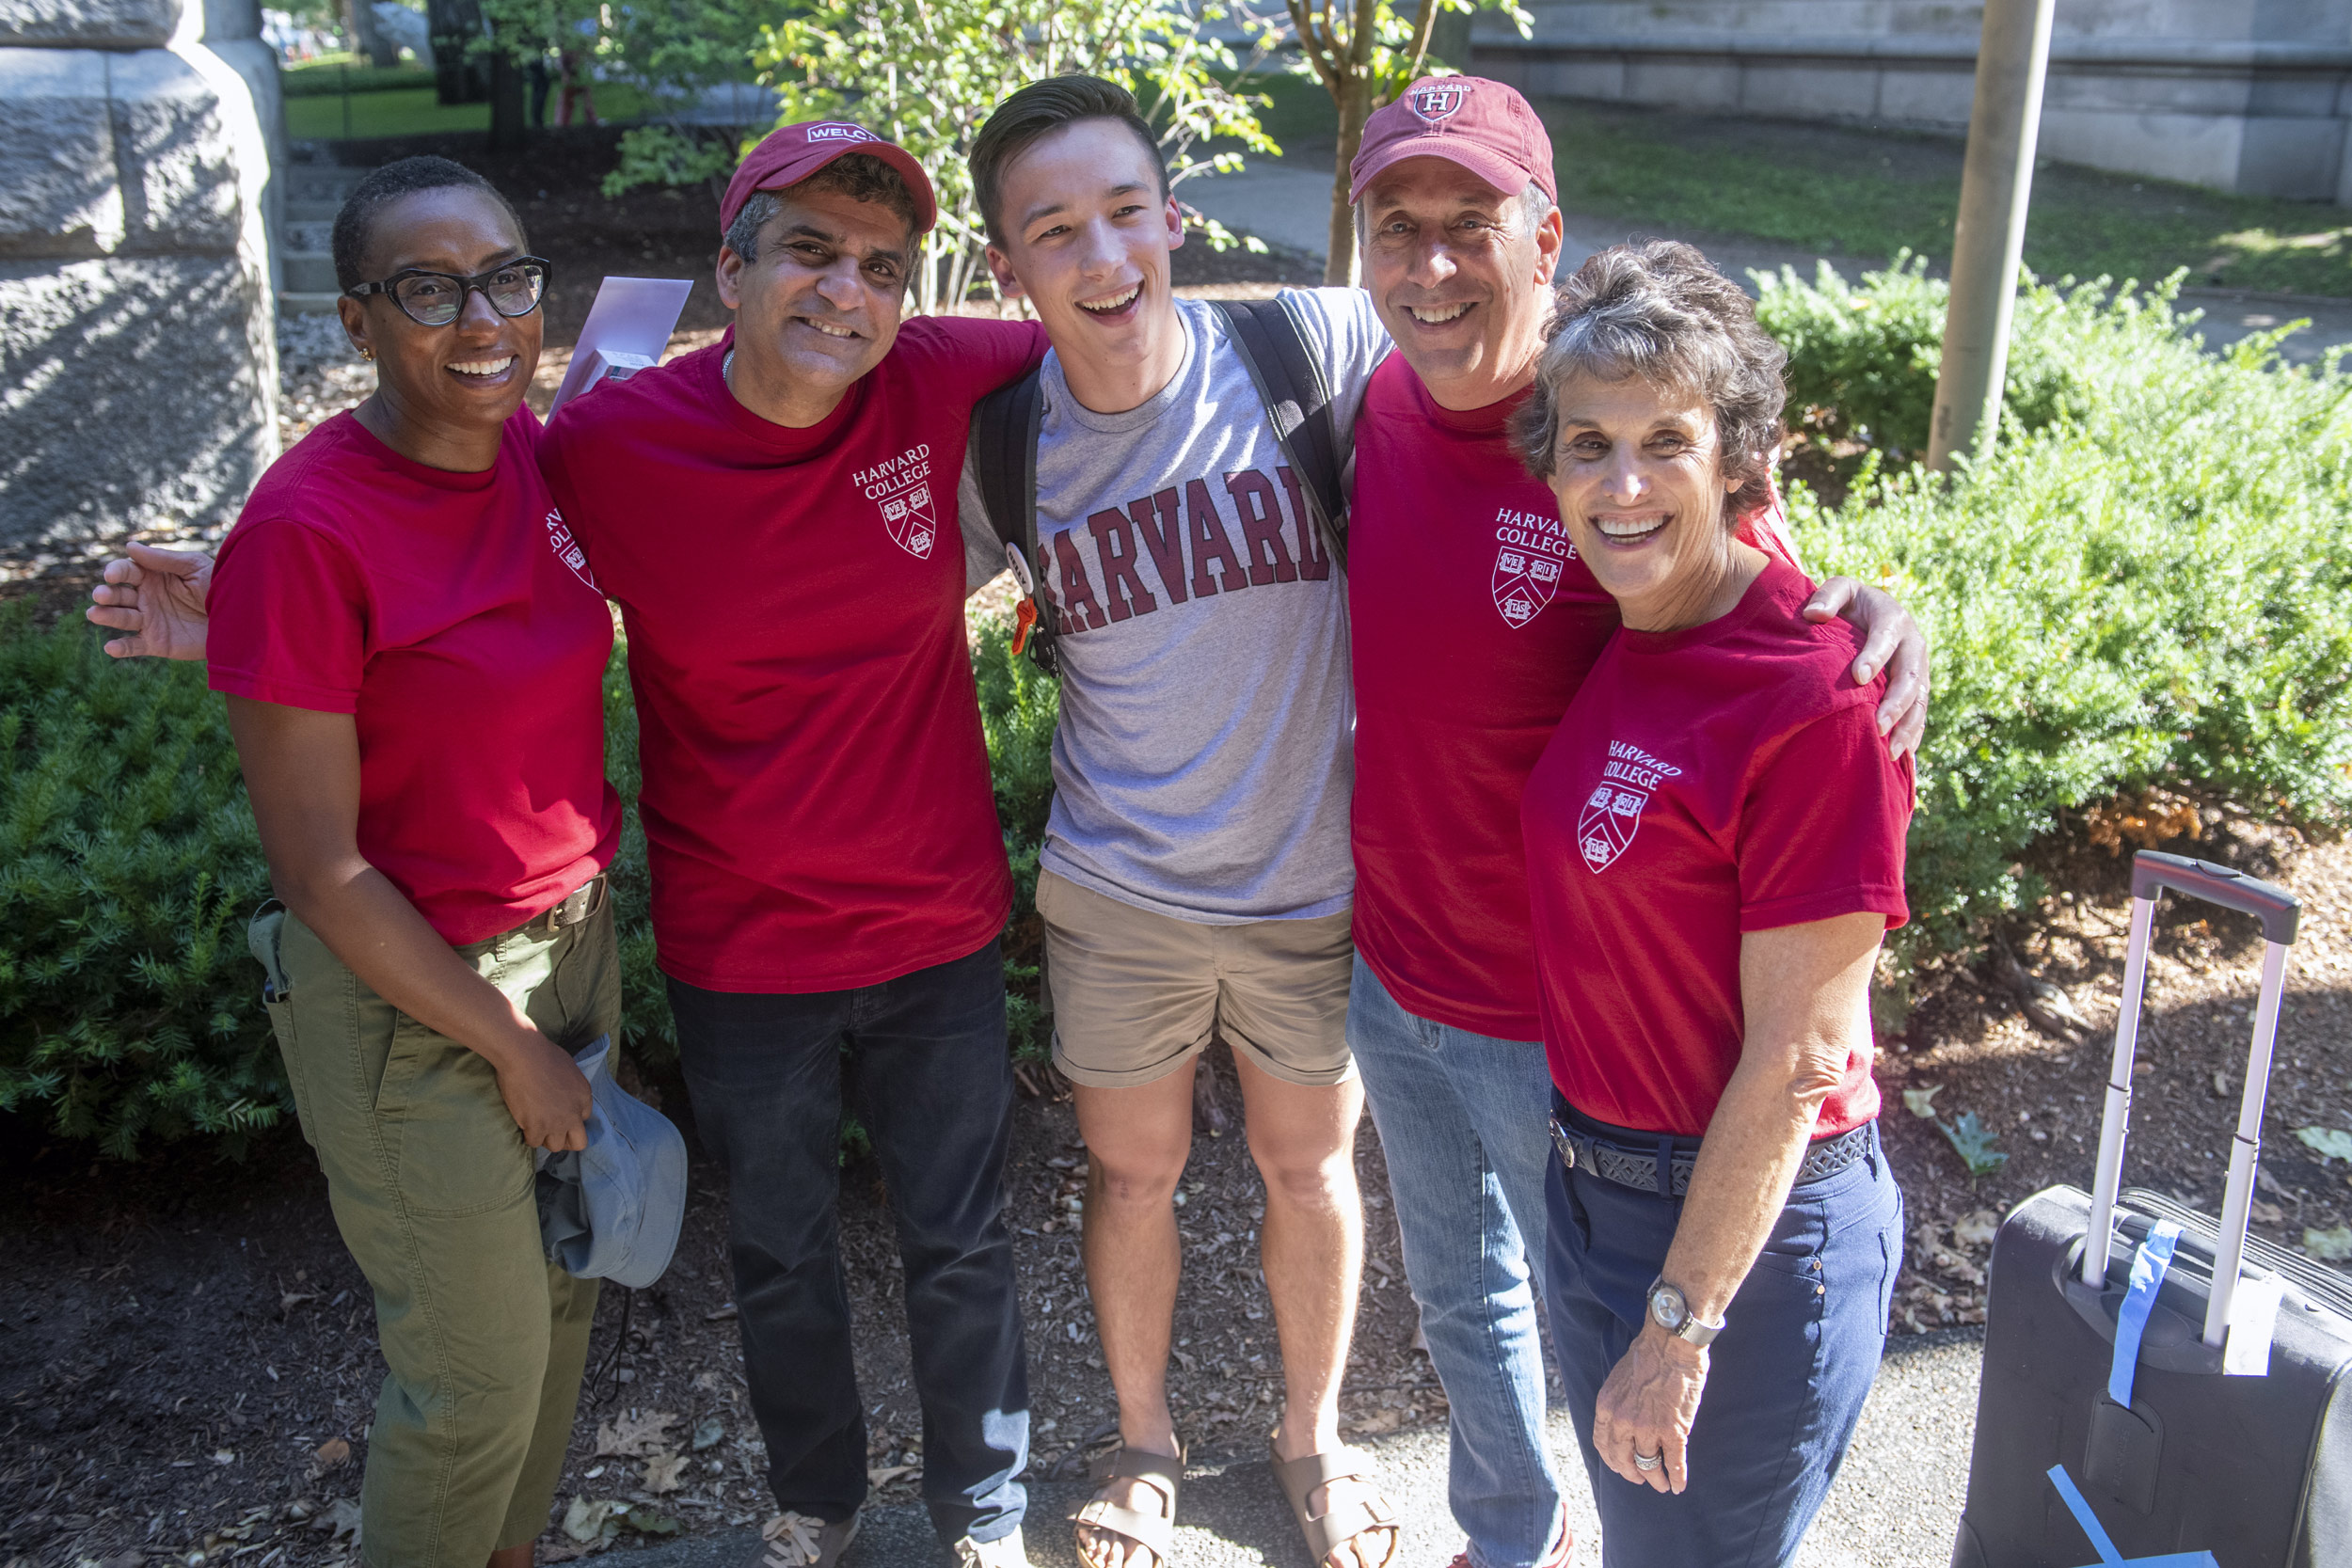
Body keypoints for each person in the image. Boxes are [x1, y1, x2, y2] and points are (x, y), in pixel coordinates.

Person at [92, 123, 1052, 1568]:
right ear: (728, 271)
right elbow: (381, 555)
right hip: (588, 969)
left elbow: (1123, 334)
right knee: (593, 1327)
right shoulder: (571, 451)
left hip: (750, 937)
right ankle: (793, 1504)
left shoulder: (850, 394)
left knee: (645, 1302)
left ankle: (944, 1513)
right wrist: (246, 576)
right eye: (806, 251)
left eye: (879, 265)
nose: (845, 289)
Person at [1339, 79, 1929, 1568]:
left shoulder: (1658, 488)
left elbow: (1761, 617)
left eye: (1470, 226)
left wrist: (1874, 622)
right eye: (1396, 229)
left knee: (1651, 1422)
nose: (1431, 266)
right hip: (1396, 975)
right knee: (1466, 1304)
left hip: (1578, 1030)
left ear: (1545, 234)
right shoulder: (1375, 402)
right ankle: (1501, 1529)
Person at [955, 76, 1395, 1568]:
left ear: (1174, 218)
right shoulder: (1005, 447)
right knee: (1132, 1174)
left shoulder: (1306, 348)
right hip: (1121, 891)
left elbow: (1560, 398)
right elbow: (826, 597)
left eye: (1128, 213)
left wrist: (1773, 555)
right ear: (1006, 266)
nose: (1103, 259)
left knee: (1308, 1166)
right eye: (1056, 230)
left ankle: (1314, 1442)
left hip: (1312, 883)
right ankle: (1144, 1446)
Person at [195, 154, 619, 1568]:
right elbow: (321, 873)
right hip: (413, 1005)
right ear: (356, 320)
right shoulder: (308, 531)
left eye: (505, 275)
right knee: (470, 1381)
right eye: (429, 288)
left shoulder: (532, 454)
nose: (482, 316)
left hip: (569, 948)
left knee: (557, 1311)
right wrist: (509, 1044)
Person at [1515, 239, 1912, 1565]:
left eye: (1665, 441)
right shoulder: (1638, 621)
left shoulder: (1813, 695)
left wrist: (1679, 1331)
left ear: (1742, 459)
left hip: (1736, 1242)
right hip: (1597, 1202)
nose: (1620, 486)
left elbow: (1804, 1056)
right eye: (1587, 444)